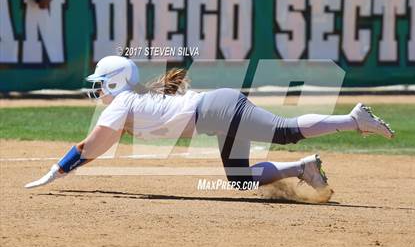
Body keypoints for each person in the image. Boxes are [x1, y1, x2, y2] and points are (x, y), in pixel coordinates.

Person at [25, 56, 394, 190]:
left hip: (218, 109)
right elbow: (95, 149)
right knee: (240, 181)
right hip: (217, 114)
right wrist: (65, 168)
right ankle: (304, 169)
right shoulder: (124, 103)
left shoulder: (119, 104)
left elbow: (90, 148)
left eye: (100, 82)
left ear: (115, 82)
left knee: (284, 130)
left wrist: (57, 171)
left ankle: (352, 118)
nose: (96, 89)